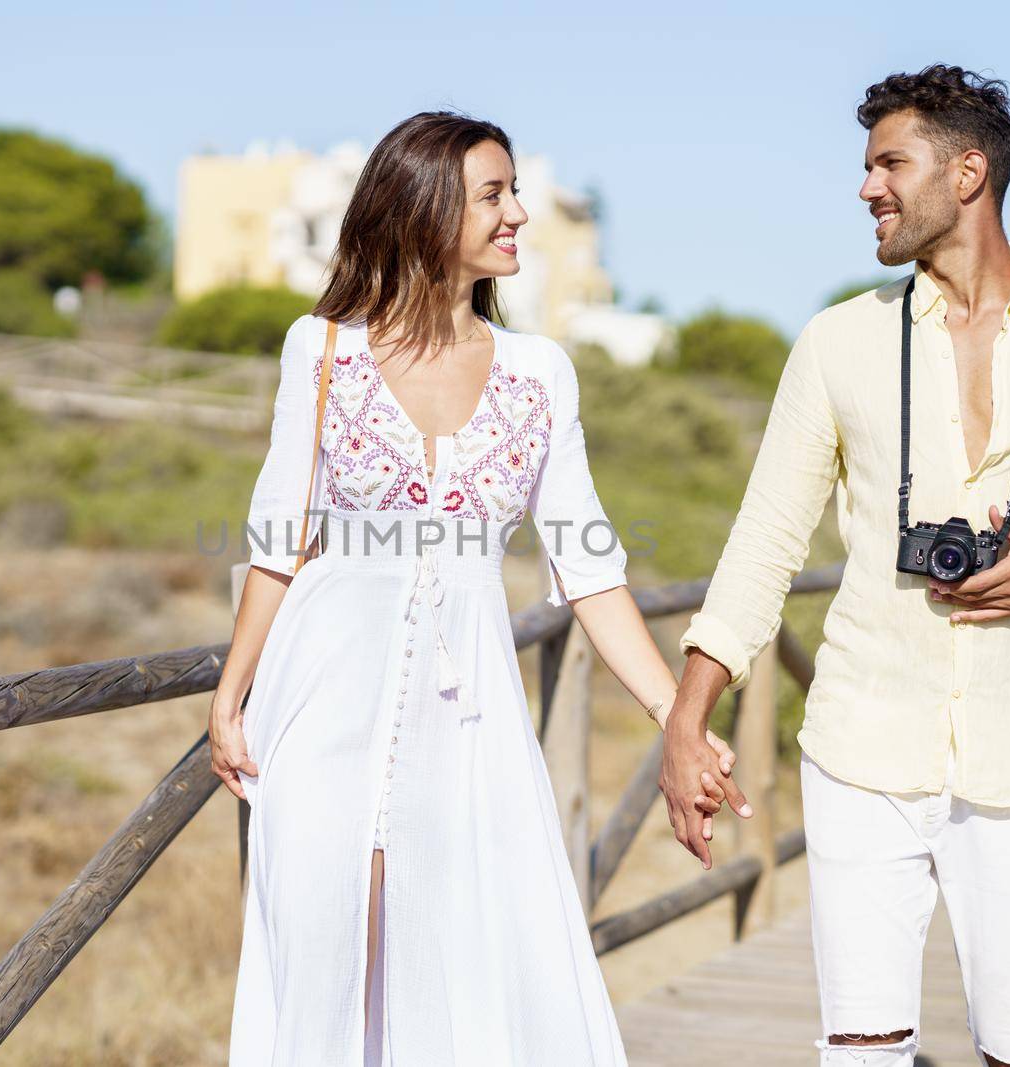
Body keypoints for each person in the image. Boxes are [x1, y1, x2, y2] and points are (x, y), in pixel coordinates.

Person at [658, 66, 1010, 1067]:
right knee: (860, 1048)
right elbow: (765, 538)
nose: (868, 188)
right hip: (861, 746)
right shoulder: (833, 342)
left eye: (889, 163)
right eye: (867, 167)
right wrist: (689, 716)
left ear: (967, 173)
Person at [209, 111, 749, 1066]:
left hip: (465, 720)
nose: (520, 214)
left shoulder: (540, 373)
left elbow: (587, 567)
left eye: (513, 191)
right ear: (424, 209)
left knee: (450, 950)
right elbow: (277, 534)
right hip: (320, 694)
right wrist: (231, 690)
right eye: (494, 194)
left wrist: (679, 719)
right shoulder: (321, 350)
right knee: (333, 939)